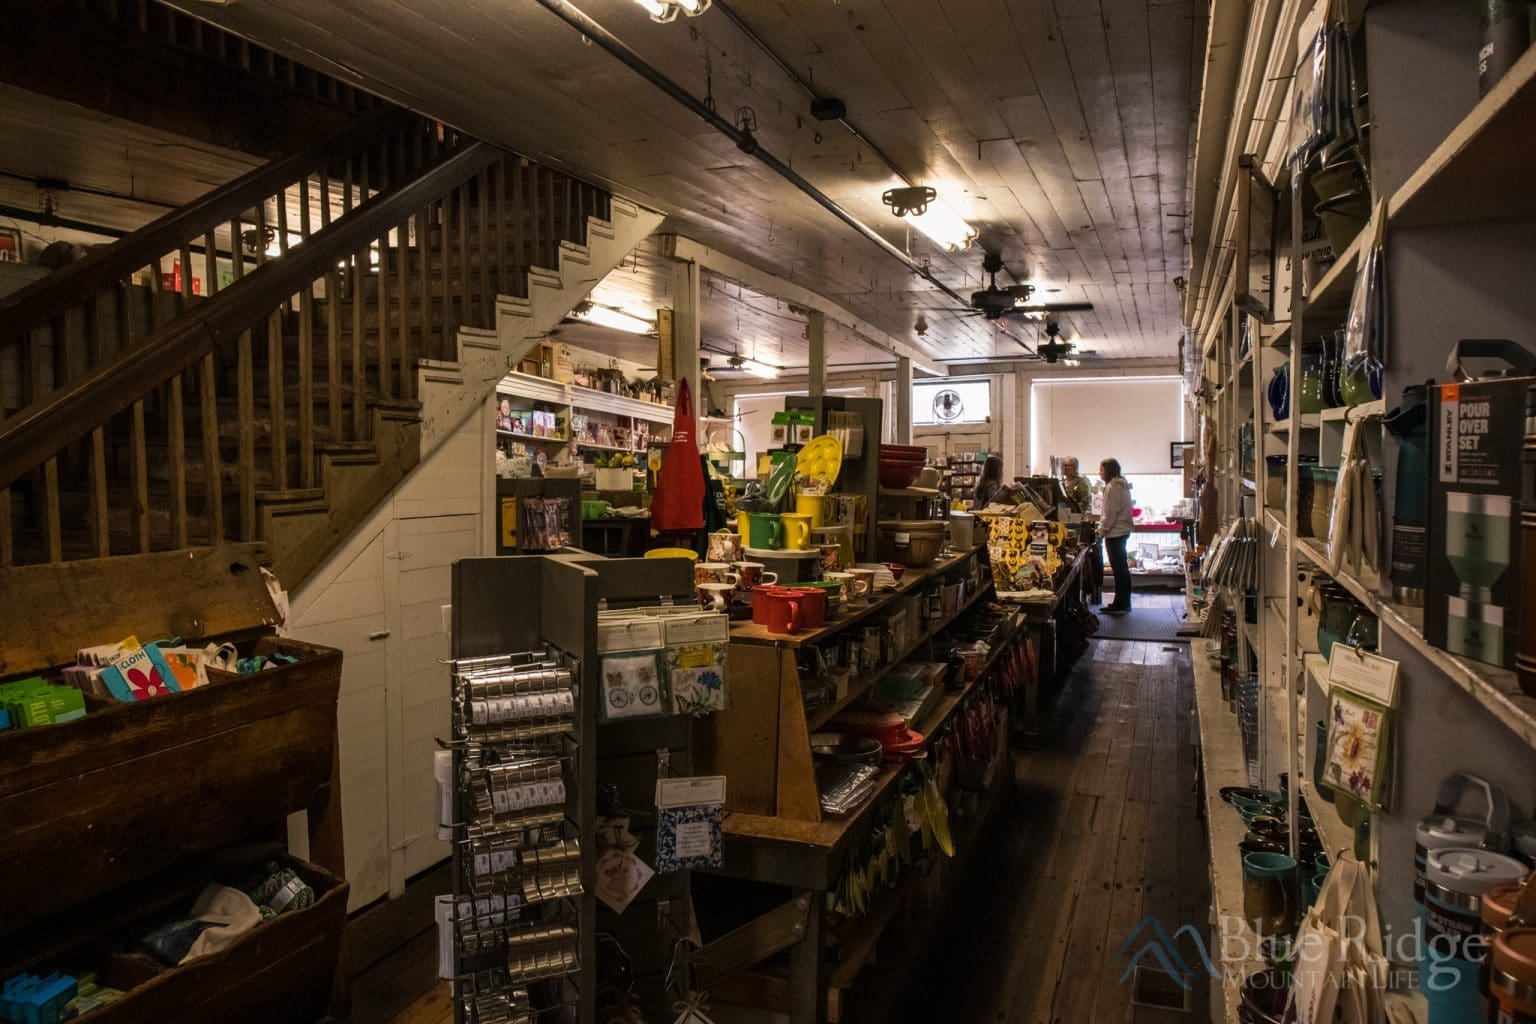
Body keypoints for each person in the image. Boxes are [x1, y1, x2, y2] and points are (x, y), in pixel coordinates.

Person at [1098, 457, 1134, 613]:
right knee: (1122, 569)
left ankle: (1120, 604)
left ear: (1108, 471)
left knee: (1119, 570)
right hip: (1122, 531)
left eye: (1101, 470)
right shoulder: (1122, 485)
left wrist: (1100, 532)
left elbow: (1110, 514)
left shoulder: (1112, 487)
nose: (1099, 473)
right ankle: (1124, 602)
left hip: (1115, 533)